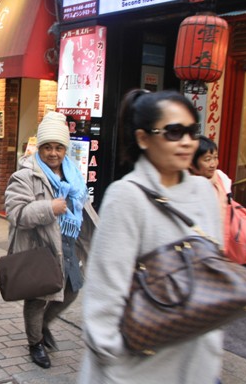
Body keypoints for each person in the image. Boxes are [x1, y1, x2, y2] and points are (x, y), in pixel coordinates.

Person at [78, 89, 223, 384]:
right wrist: (117, 364)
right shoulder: (125, 197)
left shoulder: (205, 192)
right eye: (173, 132)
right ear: (143, 138)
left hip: (198, 368)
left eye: (192, 131)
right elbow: (104, 299)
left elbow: (214, 274)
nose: (187, 141)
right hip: (137, 371)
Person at [4, 111, 92, 369]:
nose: (53, 153)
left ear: (65, 149)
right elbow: (16, 213)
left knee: (72, 290)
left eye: (59, 147)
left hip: (69, 244)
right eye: (47, 147)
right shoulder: (25, 175)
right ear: (39, 148)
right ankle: (35, 343)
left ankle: (42, 326)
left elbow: (82, 207)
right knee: (38, 297)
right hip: (40, 247)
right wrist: (48, 208)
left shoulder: (72, 174)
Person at [190, 136, 232, 221]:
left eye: (215, 157)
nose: (213, 164)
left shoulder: (221, 177)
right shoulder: (187, 185)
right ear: (191, 163)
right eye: (207, 159)